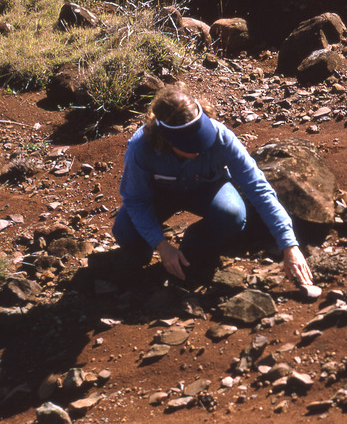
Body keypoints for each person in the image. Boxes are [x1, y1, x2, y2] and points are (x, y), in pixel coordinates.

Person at [112, 84, 314, 287]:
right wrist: (161, 244)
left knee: (233, 215)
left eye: (203, 140)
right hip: (160, 195)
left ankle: (192, 249)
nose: (201, 149)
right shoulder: (141, 148)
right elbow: (136, 200)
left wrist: (289, 244)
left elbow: (257, 186)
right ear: (165, 140)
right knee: (125, 231)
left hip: (206, 188)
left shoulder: (221, 136)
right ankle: (146, 254)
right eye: (191, 146)